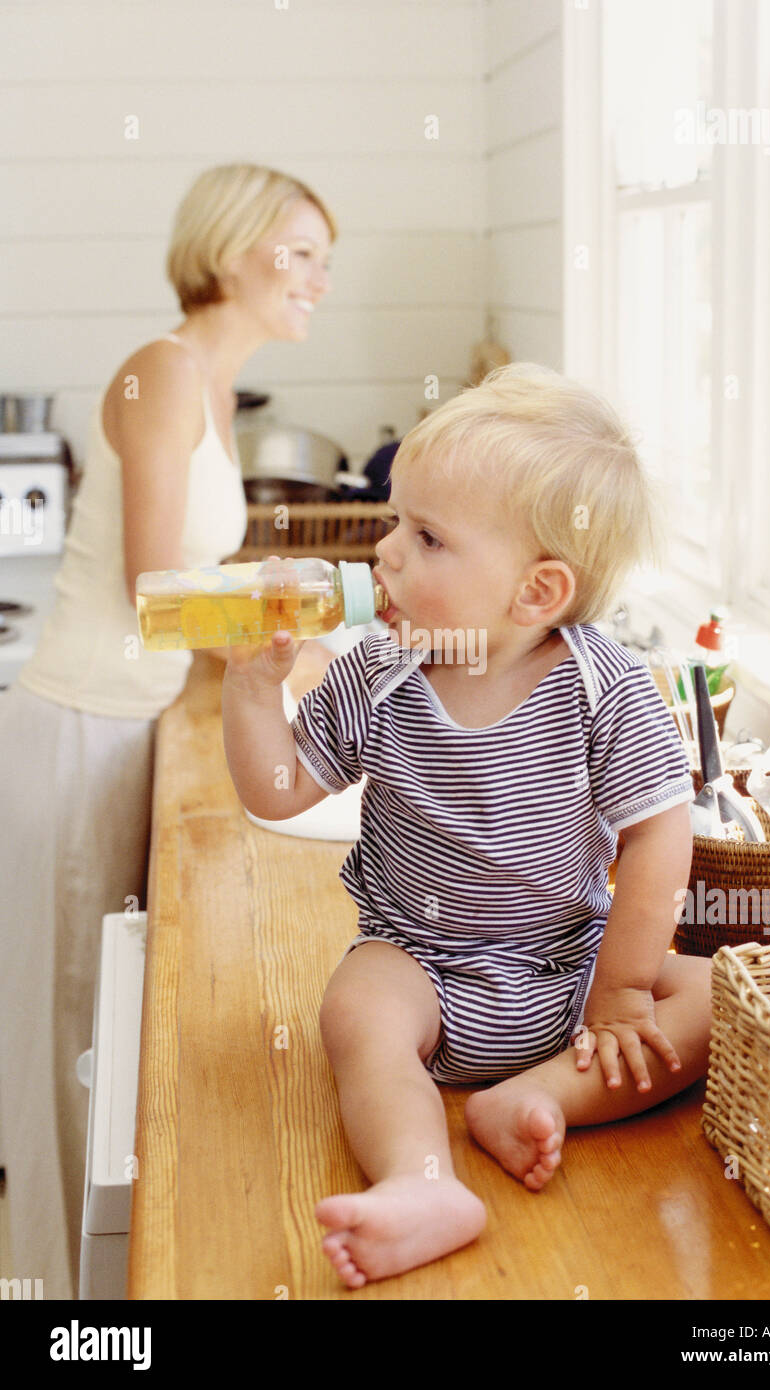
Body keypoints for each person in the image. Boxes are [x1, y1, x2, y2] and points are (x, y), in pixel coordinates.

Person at [220, 361, 712, 1290]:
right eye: (395, 522)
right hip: (422, 969)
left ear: (537, 593)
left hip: (568, 971)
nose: (387, 554)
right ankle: (422, 1181)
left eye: (428, 537)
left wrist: (622, 993)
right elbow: (281, 790)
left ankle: (535, 1096)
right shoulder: (380, 669)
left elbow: (660, 834)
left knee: (719, 1001)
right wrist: (251, 688)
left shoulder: (605, 689)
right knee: (356, 1012)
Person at [0, 162, 336, 1298]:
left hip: (124, 723)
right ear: (231, 249)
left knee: (92, 1018)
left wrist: (295, 621)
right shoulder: (160, 371)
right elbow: (157, 587)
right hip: (74, 726)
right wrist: (306, 612)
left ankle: (82, 1288)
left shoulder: (212, 391)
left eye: (322, 262)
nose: (317, 283)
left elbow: (200, 572)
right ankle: (46, 1295)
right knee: (53, 1033)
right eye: (299, 254)